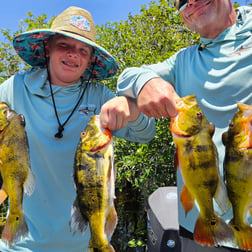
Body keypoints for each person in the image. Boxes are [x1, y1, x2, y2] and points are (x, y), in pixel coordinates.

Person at [0, 6, 155, 252]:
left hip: (84, 244)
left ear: (90, 59)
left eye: (83, 49)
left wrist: (131, 108)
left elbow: (145, 134)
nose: (74, 54)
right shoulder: (14, 88)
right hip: (21, 245)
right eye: (64, 45)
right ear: (48, 47)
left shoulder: (101, 95)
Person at [117, 0, 252, 251]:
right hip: (196, 230)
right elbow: (128, 75)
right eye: (181, 2)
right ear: (185, 19)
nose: (190, 1)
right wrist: (146, 82)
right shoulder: (182, 61)